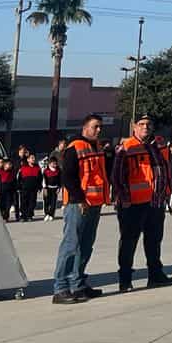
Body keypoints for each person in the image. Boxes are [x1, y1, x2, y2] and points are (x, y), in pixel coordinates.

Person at [111, 115, 172, 293]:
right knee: (128, 242)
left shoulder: (158, 145)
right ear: (134, 127)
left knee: (154, 241)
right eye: (141, 124)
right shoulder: (126, 147)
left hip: (155, 202)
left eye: (149, 124)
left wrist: (167, 192)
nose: (146, 127)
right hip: (132, 204)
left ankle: (155, 275)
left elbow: (166, 168)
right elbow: (117, 177)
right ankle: (125, 280)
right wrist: (124, 199)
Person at [52, 114, 110, 304]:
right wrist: (79, 199)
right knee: (71, 245)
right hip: (78, 204)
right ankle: (60, 288)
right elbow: (68, 177)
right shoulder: (74, 147)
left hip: (94, 203)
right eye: (95, 127)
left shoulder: (98, 146)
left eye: (100, 127)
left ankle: (77, 284)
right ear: (85, 128)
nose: (99, 130)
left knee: (86, 245)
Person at [17, 151, 43, 221]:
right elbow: (19, 178)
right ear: (28, 159)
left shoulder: (37, 168)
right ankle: (23, 216)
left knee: (32, 202)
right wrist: (19, 187)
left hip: (34, 189)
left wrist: (40, 187)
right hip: (24, 189)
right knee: (24, 202)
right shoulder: (23, 168)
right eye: (31, 158)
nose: (33, 159)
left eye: (34, 158)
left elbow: (40, 178)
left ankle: (29, 216)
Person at [42, 154, 62, 221]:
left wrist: (59, 187)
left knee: (53, 203)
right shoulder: (46, 171)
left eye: (55, 163)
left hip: (55, 188)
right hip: (47, 188)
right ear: (49, 164)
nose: (54, 165)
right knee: (46, 202)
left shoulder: (58, 171)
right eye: (53, 163)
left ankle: (51, 214)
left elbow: (60, 180)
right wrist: (44, 188)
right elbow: (44, 180)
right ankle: (46, 214)